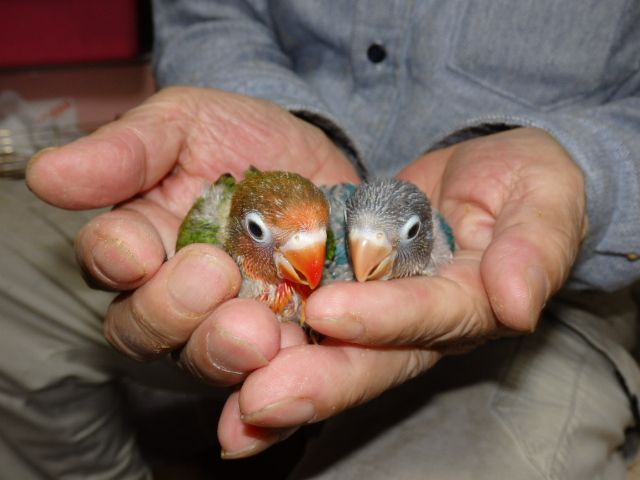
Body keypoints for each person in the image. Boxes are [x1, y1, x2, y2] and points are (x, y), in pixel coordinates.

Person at [22, 1, 640, 478]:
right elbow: (206, 16)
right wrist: (262, 107)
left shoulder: (439, 242)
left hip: (572, 290)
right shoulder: (264, 232)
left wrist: (587, 174)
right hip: (281, 161)